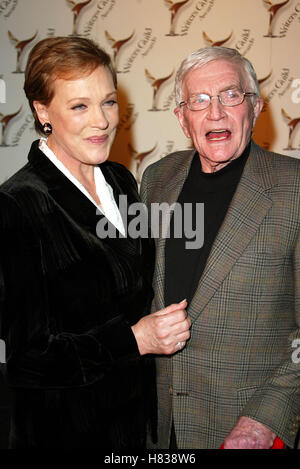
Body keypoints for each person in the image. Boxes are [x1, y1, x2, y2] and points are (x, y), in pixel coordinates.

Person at [0, 36, 191, 449]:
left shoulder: (120, 179)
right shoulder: (17, 204)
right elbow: (27, 360)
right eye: (79, 106)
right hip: (63, 432)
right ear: (42, 110)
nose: (102, 121)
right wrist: (133, 340)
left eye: (107, 101)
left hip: (134, 423)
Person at [141, 46, 300, 449]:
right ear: (181, 117)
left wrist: (267, 420)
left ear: (256, 107)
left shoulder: (294, 188)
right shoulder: (156, 179)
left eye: (231, 95)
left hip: (249, 430)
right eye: (199, 100)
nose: (215, 113)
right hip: (163, 429)